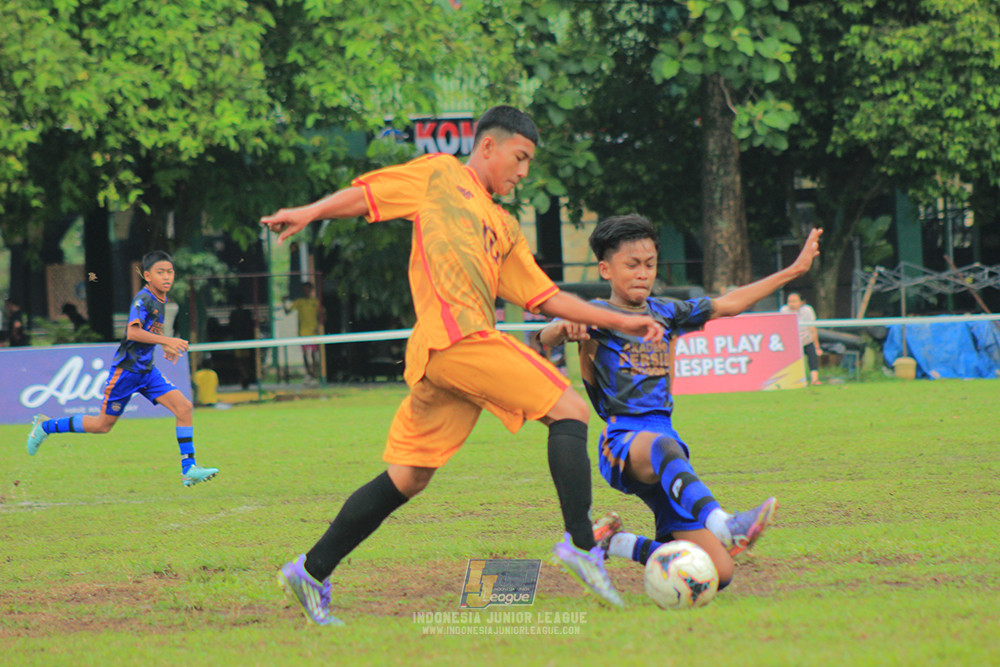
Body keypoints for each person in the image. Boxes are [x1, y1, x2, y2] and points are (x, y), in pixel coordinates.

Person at [260, 105, 665, 625]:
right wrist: (310, 212)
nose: (523, 172)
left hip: (448, 358)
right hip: (457, 339)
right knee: (569, 408)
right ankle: (583, 546)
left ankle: (309, 571)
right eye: (519, 158)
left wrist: (620, 322)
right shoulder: (439, 175)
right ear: (489, 146)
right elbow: (368, 196)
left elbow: (546, 297)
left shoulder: (503, 225)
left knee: (408, 476)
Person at [538, 214, 822, 592]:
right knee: (664, 447)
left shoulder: (667, 312)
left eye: (650, 265)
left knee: (718, 574)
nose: (643, 273)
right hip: (624, 441)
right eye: (632, 264)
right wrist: (563, 327)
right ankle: (725, 523)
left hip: (667, 448)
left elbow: (730, 304)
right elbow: (547, 334)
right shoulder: (597, 315)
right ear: (605, 269)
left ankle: (613, 542)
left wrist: (794, 270)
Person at [26, 251, 219, 487]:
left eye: (170, 272)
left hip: (147, 372)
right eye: (161, 272)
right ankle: (45, 425)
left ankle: (189, 470)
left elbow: (149, 331)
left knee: (184, 407)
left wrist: (164, 344)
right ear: (147, 276)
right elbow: (133, 332)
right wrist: (167, 341)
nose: (167, 277)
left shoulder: (161, 299)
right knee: (101, 426)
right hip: (126, 372)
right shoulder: (143, 298)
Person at [781, 291, 822, 385]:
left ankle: (814, 380)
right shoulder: (784, 310)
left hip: (807, 340)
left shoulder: (807, 310)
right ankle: (792, 381)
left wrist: (817, 347)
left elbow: (812, 328)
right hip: (792, 342)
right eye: (789, 301)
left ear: (801, 302)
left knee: (813, 357)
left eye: (794, 301)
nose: (792, 304)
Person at [284, 282, 322, 384]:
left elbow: (321, 313)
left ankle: (314, 374)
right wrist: (284, 302)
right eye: (304, 289)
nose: (306, 290)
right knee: (305, 354)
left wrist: (319, 326)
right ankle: (308, 373)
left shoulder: (315, 302)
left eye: (308, 289)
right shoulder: (299, 302)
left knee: (314, 354)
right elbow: (287, 311)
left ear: (311, 290)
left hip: (313, 332)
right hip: (303, 332)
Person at [228, 297, 257, 389]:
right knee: (240, 361)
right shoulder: (234, 314)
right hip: (238, 340)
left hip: (245, 341)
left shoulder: (246, 313)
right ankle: (246, 377)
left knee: (245, 361)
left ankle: (247, 377)